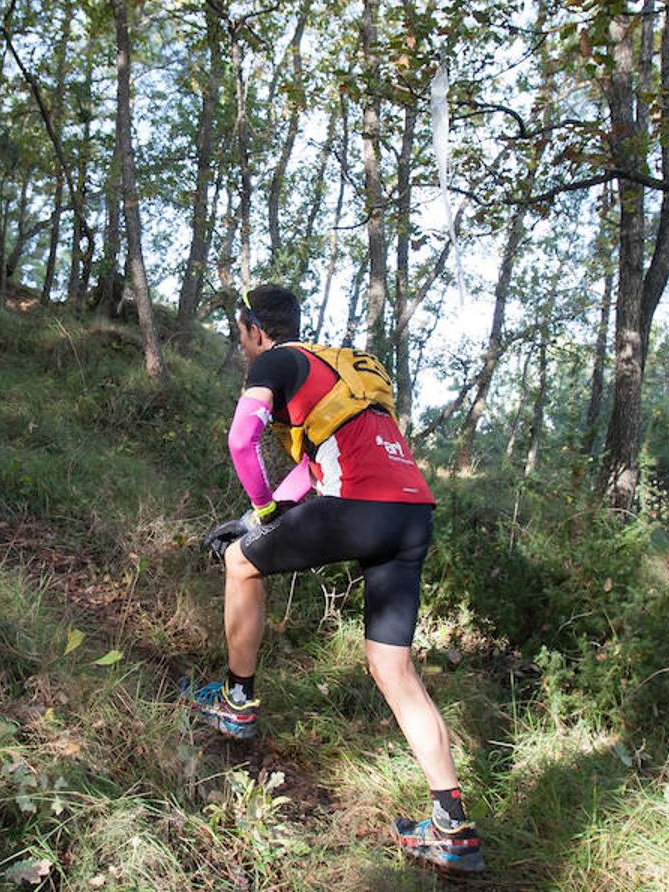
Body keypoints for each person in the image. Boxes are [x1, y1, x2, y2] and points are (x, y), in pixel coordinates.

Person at [196, 283, 483, 875]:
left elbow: (239, 440)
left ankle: (236, 701)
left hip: (356, 502)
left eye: (240, 332)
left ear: (254, 328)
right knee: (392, 666)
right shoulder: (338, 371)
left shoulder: (276, 359)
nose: (242, 343)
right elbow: (310, 467)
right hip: (411, 511)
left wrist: (262, 516)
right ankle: (452, 827)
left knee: (241, 561)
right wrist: (260, 515)